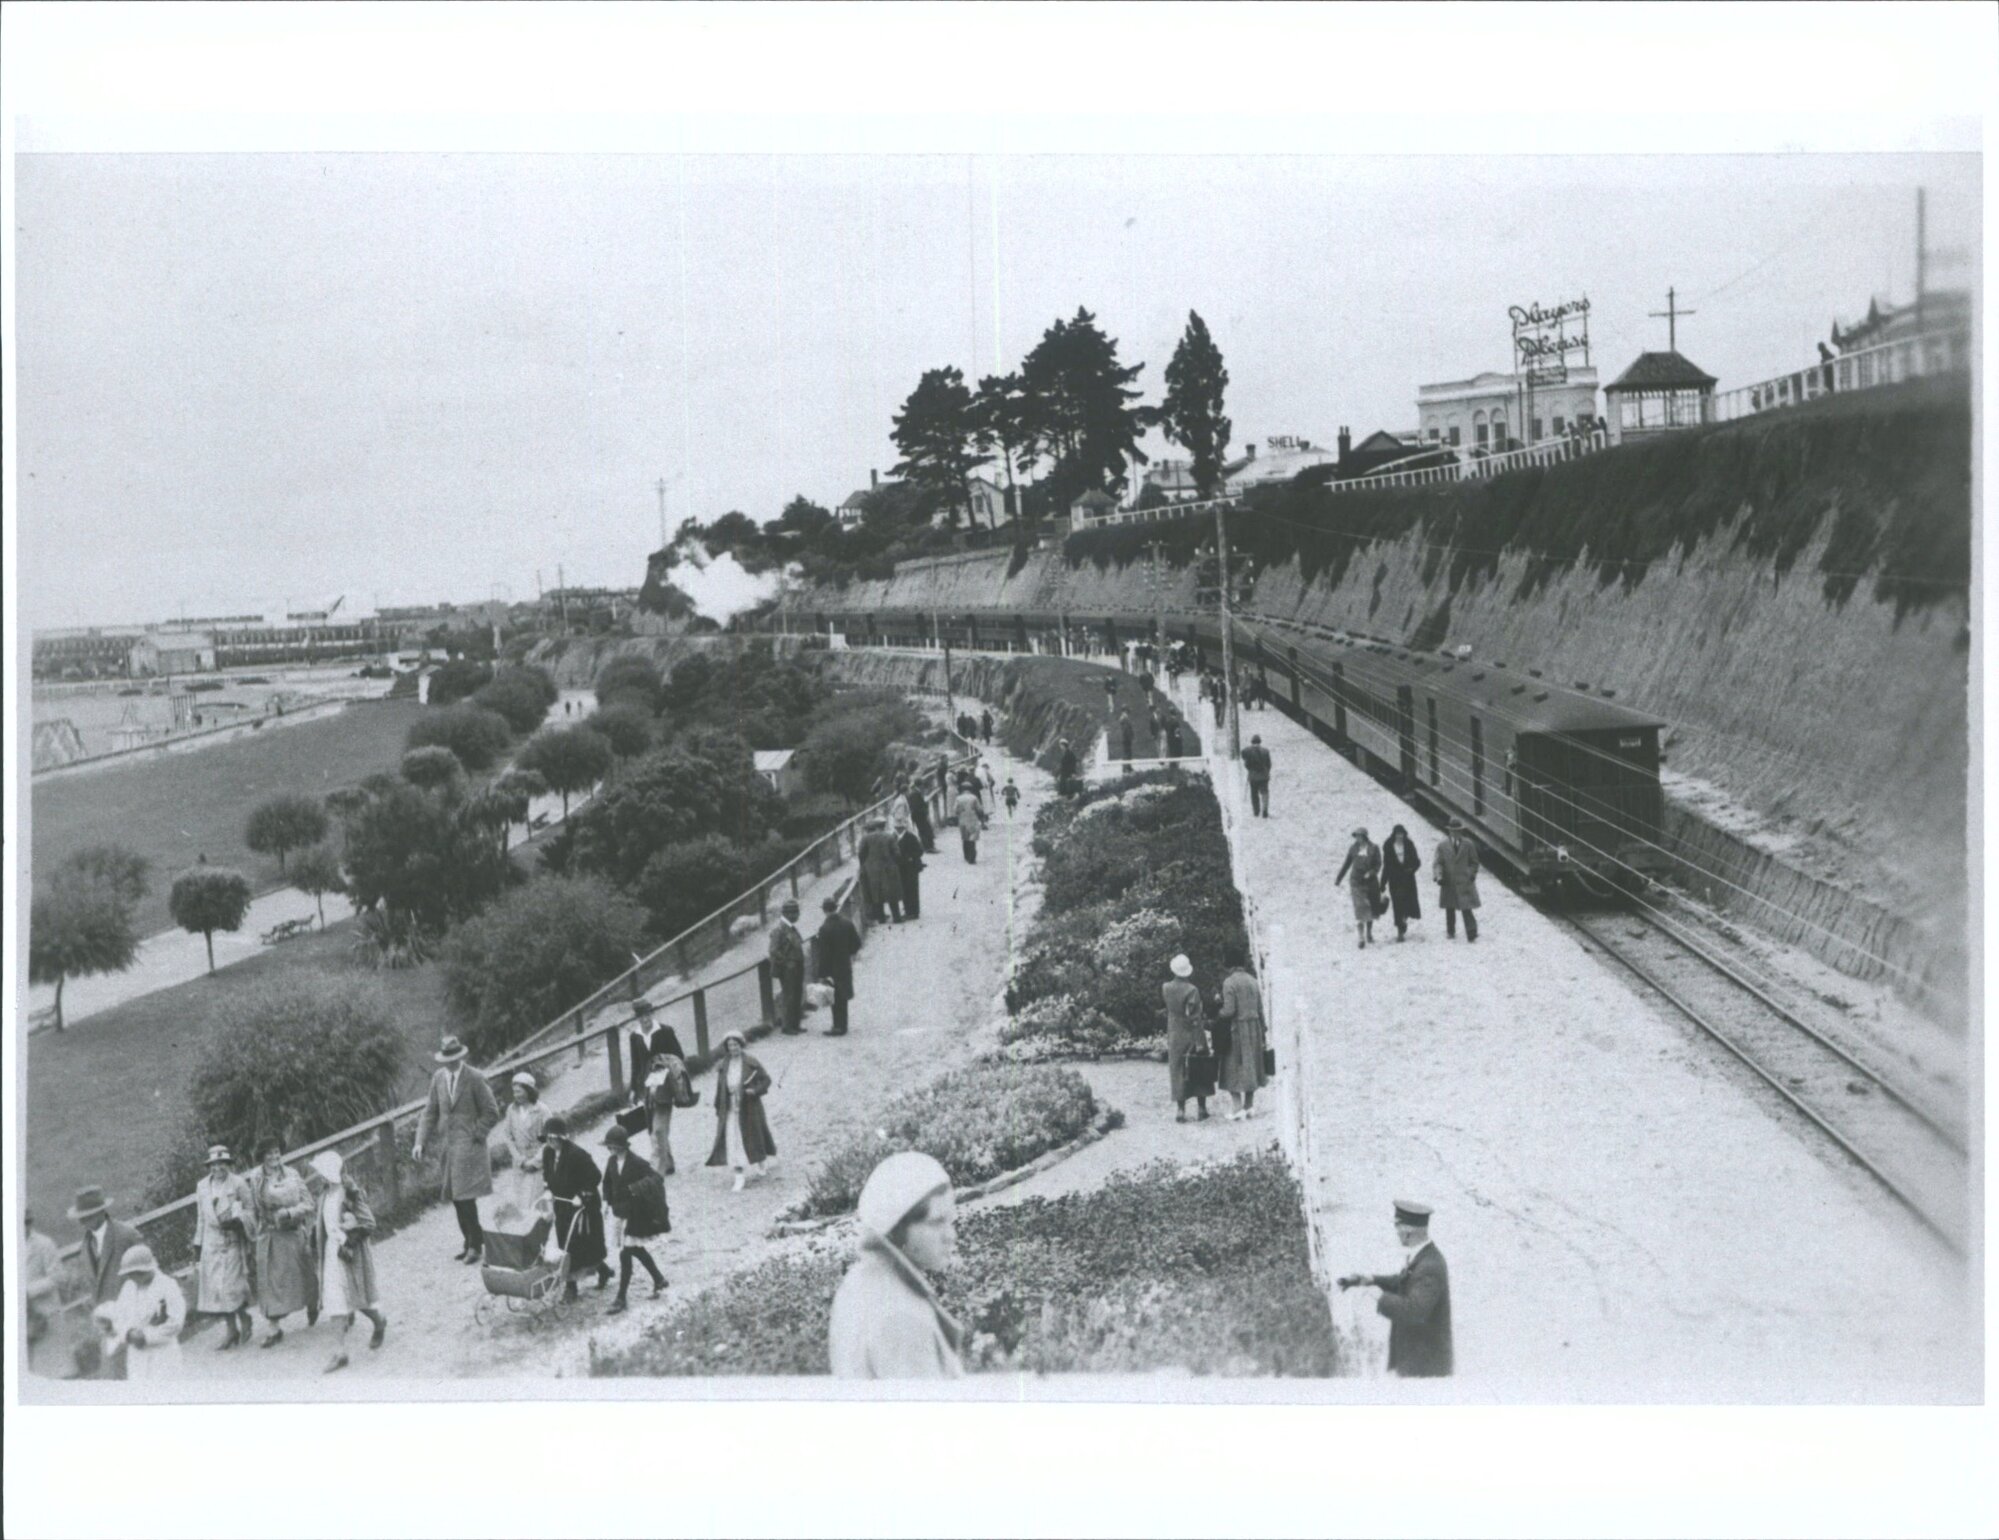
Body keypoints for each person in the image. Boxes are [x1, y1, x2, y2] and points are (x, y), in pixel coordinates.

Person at [828, 1151, 964, 1379]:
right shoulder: (901, 1318)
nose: (951, 1236)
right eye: (936, 1222)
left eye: (951, 1220)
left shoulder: (860, 1280)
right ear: (897, 1229)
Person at [1338, 1200, 1453, 1378]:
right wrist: (1371, 1280)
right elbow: (1404, 1281)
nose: (1396, 1232)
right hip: (1417, 1360)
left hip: (1425, 1369)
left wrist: (1379, 1296)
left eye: (1397, 1226)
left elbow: (1415, 1311)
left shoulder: (1429, 1265)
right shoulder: (1423, 1256)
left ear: (1408, 1230)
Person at [412, 1034, 500, 1265]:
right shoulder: (439, 1078)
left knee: (465, 1196)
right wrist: (419, 1142)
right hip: (448, 1147)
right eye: (446, 1059)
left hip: (469, 1147)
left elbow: (492, 1111)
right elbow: (430, 1111)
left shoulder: (475, 1078)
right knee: (456, 1197)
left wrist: (476, 1135)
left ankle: (474, 1245)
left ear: (461, 1056)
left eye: (454, 1058)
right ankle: (470, 1240)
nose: (450, 1063)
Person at [308, 1150, 387, 1372]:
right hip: (332, 1253)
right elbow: (323, 1225)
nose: (320, 1176)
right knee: (335, 1301)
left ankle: (379, 1321)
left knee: (357, 1299)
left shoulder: (350, 1193)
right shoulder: (324, 1195)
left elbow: (369, 1223)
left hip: (349, 1254)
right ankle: (340, 1352)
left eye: (322, 1172)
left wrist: (352, 1229)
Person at [246, 1140, 319, 1348]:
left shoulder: (293, 1175)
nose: (274, 1157)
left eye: (277, 1152)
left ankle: (312, 1304)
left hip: (293, 1233)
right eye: (269, 1154)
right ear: (262, 1157)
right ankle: (274, 1329)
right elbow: (253, 1208)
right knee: (270, 1282)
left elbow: (309, 1204)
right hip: (270, 1235)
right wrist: (251, 1227)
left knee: (304, 1275)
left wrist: (289, 1213)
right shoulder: (256, 1178)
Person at [540, 1116, 614, 1299]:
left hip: (583, 1206)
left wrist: (581, 1195)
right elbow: (547, 1174)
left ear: (562, 1138)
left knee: (582, 1243)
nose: (550, 1142)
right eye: (547, 1138)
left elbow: (596, 1176)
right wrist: (548, 1189)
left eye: (554, 1138)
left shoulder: (577, 1155)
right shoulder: (547, 1153)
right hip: (562, 1205)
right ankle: (596, 1272)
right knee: (566, 1244)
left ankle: (571, 1288)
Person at [600, 1125, 670, 1314]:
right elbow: (607, 1183)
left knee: (625, 1253)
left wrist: (636, 1188)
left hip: (636, 1214)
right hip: (619, 1213)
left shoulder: (637, 1162)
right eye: (609, 1146)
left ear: (623, 1146)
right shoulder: (611, 1162)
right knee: (636, 1249)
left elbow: (656, 1179)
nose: (611, 1149)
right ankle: (658, 1279)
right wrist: (606, 1201)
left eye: (614, 1146)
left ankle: (621, 1297)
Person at [193, 1144, 256, 1350]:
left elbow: (250, 1210)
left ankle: (244, 1317)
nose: (217, 1168)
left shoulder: (238, 1184)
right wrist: (197, 1246)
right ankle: (231, 1330)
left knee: (231, 1288)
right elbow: (201, 1218)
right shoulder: (202, 1186)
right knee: (216, 1292)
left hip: (232, 1242)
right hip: (211, 1243)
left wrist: (240, 1222)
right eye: (213, 1165)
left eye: (221, 1164)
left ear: (228, 1164)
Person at [98, 1244, 186, 1382]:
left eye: (135, 1273)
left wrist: (146, 1336)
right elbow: (119, 1317)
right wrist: (128, 1333)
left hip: (163, 1353)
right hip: (137, 1354)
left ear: (145, 1269)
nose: (132, 1277)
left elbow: (175, 1323)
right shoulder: (129, 1287)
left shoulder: (167, 1286)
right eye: (129, 1274)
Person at [707, 1031, 777, 1192]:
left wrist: (755, 1091)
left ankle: (761, 1160)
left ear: (741, 1045)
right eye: (730, 1045)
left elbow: (766, 1080)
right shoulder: (724, 1065)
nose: (733, 1048)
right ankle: (739, 1175)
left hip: (749, 1107)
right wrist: (719, 1106)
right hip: (730, 1108)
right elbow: (720, 1087)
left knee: (755, 1134)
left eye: (736, 1044)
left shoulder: (751, 1063)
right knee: (733, 1140)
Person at [1214, 944, 1269, 1121]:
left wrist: (1218, 1009)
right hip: (1254, 1028)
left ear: (1229, 963)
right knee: (1252, 1065)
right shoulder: (1253, 981)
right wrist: (1263, 1029)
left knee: (1233, 1067)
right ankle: (1249, 1105)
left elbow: (1229, 1010)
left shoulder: (1229, 982)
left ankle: (1237, 1107)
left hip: (1237, 1029)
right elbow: (1260, 1008)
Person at [1163, 953, 1211, 1123]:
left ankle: (1181, 1110)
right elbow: (1194, 1016)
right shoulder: (1192, 990)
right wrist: (1199, 1038)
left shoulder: (1166, 988)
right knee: (1199, 1066)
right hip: (1191, 1031)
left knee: (1177, 1068)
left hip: (1174, 1031)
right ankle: (1201, 1108)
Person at [23, 1211, 70, 1378]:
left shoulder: (44, 1244)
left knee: (50, 1369)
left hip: (45, 1313)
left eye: (26, 1223)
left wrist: (27, 1292)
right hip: (23, 1316)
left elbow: (58, 1277)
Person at [498, 1072, 552, 1212]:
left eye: (519, 1092)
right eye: (514, 1092)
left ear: (529, 1091)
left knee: (537, 1204)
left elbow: (549, 1139)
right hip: (519, 1165)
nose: (516, 1095)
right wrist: (519, 1159)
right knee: (521, 1203)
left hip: (537, 1164)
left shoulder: (541, 1110)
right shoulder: (511, 1110)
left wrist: (535, 1161)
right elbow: (508, 1137)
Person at [815, 895, 862, 1037]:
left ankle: (837, 1026)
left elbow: (823, 955)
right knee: (843, 996)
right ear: (836, 908)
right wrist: (847, 953)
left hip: (831, 969)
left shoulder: (824, 928)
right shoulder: (847, 923)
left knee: (834, 998)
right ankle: (843, 1025)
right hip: (845, 966)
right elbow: (857, 944)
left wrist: (822, 974)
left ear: (824, 910)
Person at [1335, 827, 1383, 948]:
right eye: (1356, 836)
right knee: (1360, 907)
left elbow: (1378, 864)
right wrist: (1339, 878)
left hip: (1371, 882)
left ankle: (1369, 932)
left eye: (1360, 836)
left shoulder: (1374, 848)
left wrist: (1371, 873)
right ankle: (1361, 937)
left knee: (1371, 908)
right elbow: (1346, 864)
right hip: (1356, 882)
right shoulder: (1353, 848)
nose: (1358, 838)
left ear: (1365, 836)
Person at [1435, 820, 1483, 942]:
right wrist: (1439, 876)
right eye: (1454, 831)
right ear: (1449, 831)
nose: (1456, 833)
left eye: (1459, 831)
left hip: (1464, 880)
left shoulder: (1468, 844)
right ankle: (1450, 931)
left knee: (1466, 907)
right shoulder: (1442, 846)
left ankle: (1472, 932)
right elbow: (1438, 863)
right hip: (1449, 880)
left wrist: (1471, 874)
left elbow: (1474, 862)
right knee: (1449, 907)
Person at [769, 897, 807, 1034]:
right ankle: (787, 1026)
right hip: (788, 969)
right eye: (795, 913)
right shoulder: (779, 929)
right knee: (789, 996)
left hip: (796, 966)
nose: (797, 916)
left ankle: (795, 1024)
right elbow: (773, 950)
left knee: (797, 994)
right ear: (788, 914)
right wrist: (786, 962)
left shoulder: (790, 927)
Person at [857, 817, 905, 924]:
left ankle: (881, 919)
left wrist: (864, 865)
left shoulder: (866, 838)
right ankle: (896, 917)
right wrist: (894, 862)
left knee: (876, 894)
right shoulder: (889, 837)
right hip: (889, 868)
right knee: (892, 894)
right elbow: (897, 853)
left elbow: (860, 853)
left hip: (872, 870)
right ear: (883, 826)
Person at [1381, 824, 1424, 941]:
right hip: (1394, 879)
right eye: (1397, 834)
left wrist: (1411, 869)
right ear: (1394, 835)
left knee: (1406, 903)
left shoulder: (1409, 845)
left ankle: (1404, 920)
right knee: (1397, 904)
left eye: (1401, 834)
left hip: (1408, 879)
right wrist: (1382, 883)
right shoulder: (1388, 846)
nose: (1399, 836)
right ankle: (1400, 929)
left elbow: (1417, 861)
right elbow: (1386, 865)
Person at [889, 802, 925, 920]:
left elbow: (920, 850)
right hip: (899, 868)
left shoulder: (911, 837)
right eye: (896, 827)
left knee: (912, 889)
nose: (898, 828)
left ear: (904, 827)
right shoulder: (892, 838)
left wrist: (911, 857)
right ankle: (908, 910)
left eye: (900, 827)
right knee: (903, 889)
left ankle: (914, 912)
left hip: (911, 868)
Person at [903, 774, 937, 854]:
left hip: (919, 815)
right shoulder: (915, 793)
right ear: (920, 785)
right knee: (924, 830)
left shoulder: (915, 792)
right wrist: (924, 809)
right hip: (919, 816)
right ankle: (928, 847)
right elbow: (916, 807)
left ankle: (929, 846)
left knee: (925, 830)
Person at [1242, 733, 1273, 817]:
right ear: (1260, 742)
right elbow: (1269, 764)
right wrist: (1267, 771)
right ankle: (1265, 810)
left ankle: (1256, 811)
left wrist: (1249, 769)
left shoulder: (1247, 751)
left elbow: (1246, 763)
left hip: (1253, 777)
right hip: (1264, 776)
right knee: (1264, 793)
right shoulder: (1265, 751)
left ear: (1252, 742)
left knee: (1254, 794)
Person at [955, 784, 982, 863]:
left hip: (962, 818)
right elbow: (979, 809)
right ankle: (972, 857)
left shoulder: (958, 798)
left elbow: (955, 810)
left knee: (965, 838)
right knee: (972, 837)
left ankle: (966, 856)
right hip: (973, 818)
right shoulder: (974, 797)